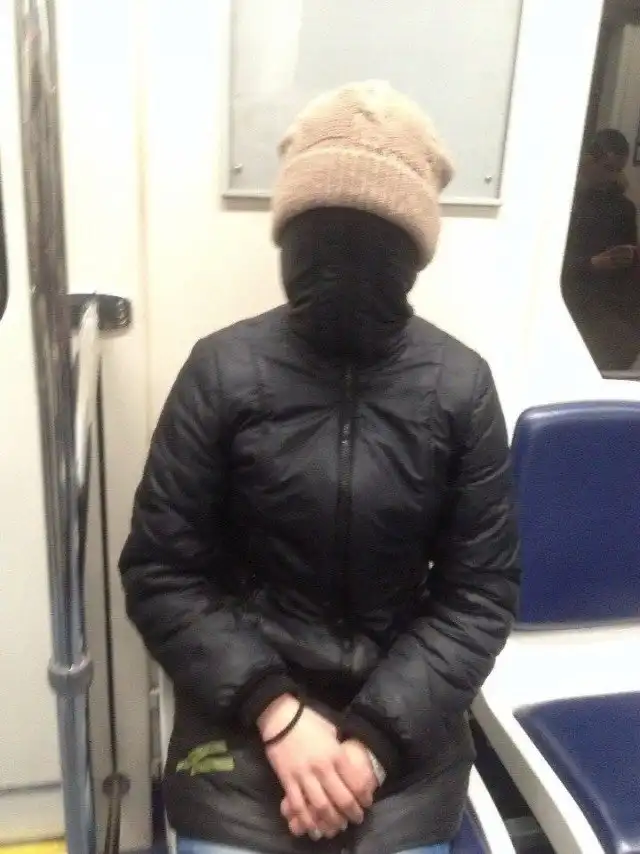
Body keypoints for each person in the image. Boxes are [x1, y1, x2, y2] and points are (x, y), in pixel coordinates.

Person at [119, 81, 520, 854]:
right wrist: (278, 712)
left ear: (410, 255)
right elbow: (163, 572)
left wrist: (371, 748)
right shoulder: (222, 371)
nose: (344, 263)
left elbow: (477, 596)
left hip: (406, 733)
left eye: (374, 241)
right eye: (321, 235)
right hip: (239, 719)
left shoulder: (460, 387)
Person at [562, 128, 640, 371]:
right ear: (588, 160)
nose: (612, 176)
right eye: (607, 168)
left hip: (608, 299)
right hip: (571, 294)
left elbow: (630, 255)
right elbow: (549, 260)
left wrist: (629, 255)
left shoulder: (623, 208)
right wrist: (592, 263)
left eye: (617, 170)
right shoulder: (565, 201)